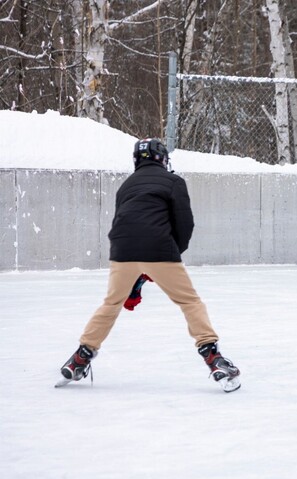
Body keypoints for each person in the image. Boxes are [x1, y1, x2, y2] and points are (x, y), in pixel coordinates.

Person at [57, 138, 241, 392]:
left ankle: (80, 357)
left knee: (111, 304)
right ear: (162, 158)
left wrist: (137, 269)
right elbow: (184, 224)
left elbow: (124, 221)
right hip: (159, 248)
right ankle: (213, 358)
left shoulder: (126, 186)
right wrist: (172, 254)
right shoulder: (173, 182)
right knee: (190, 302)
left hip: (122, 250)